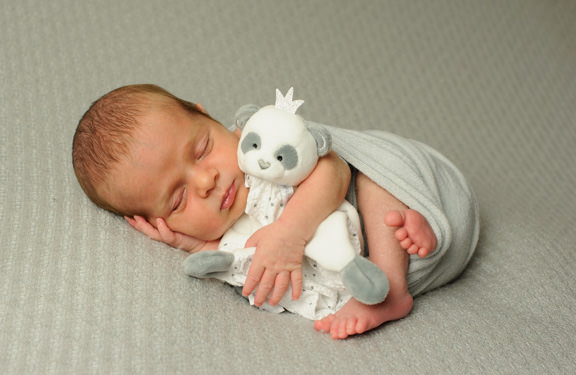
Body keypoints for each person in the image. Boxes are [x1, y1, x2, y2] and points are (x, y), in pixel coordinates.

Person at [73, 84, 479, 339]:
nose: (206, 182)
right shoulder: (219, 216)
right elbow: (241, 247)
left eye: (201, 150)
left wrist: (290, 232)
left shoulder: (264, 145)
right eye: (178, 200)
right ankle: (409, 239)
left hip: (423, 185)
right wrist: (192, 242)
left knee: (371, 178)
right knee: (367, 236)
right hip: (413, 259)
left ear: (209, 116)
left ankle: (393, 283)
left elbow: (333, 170)